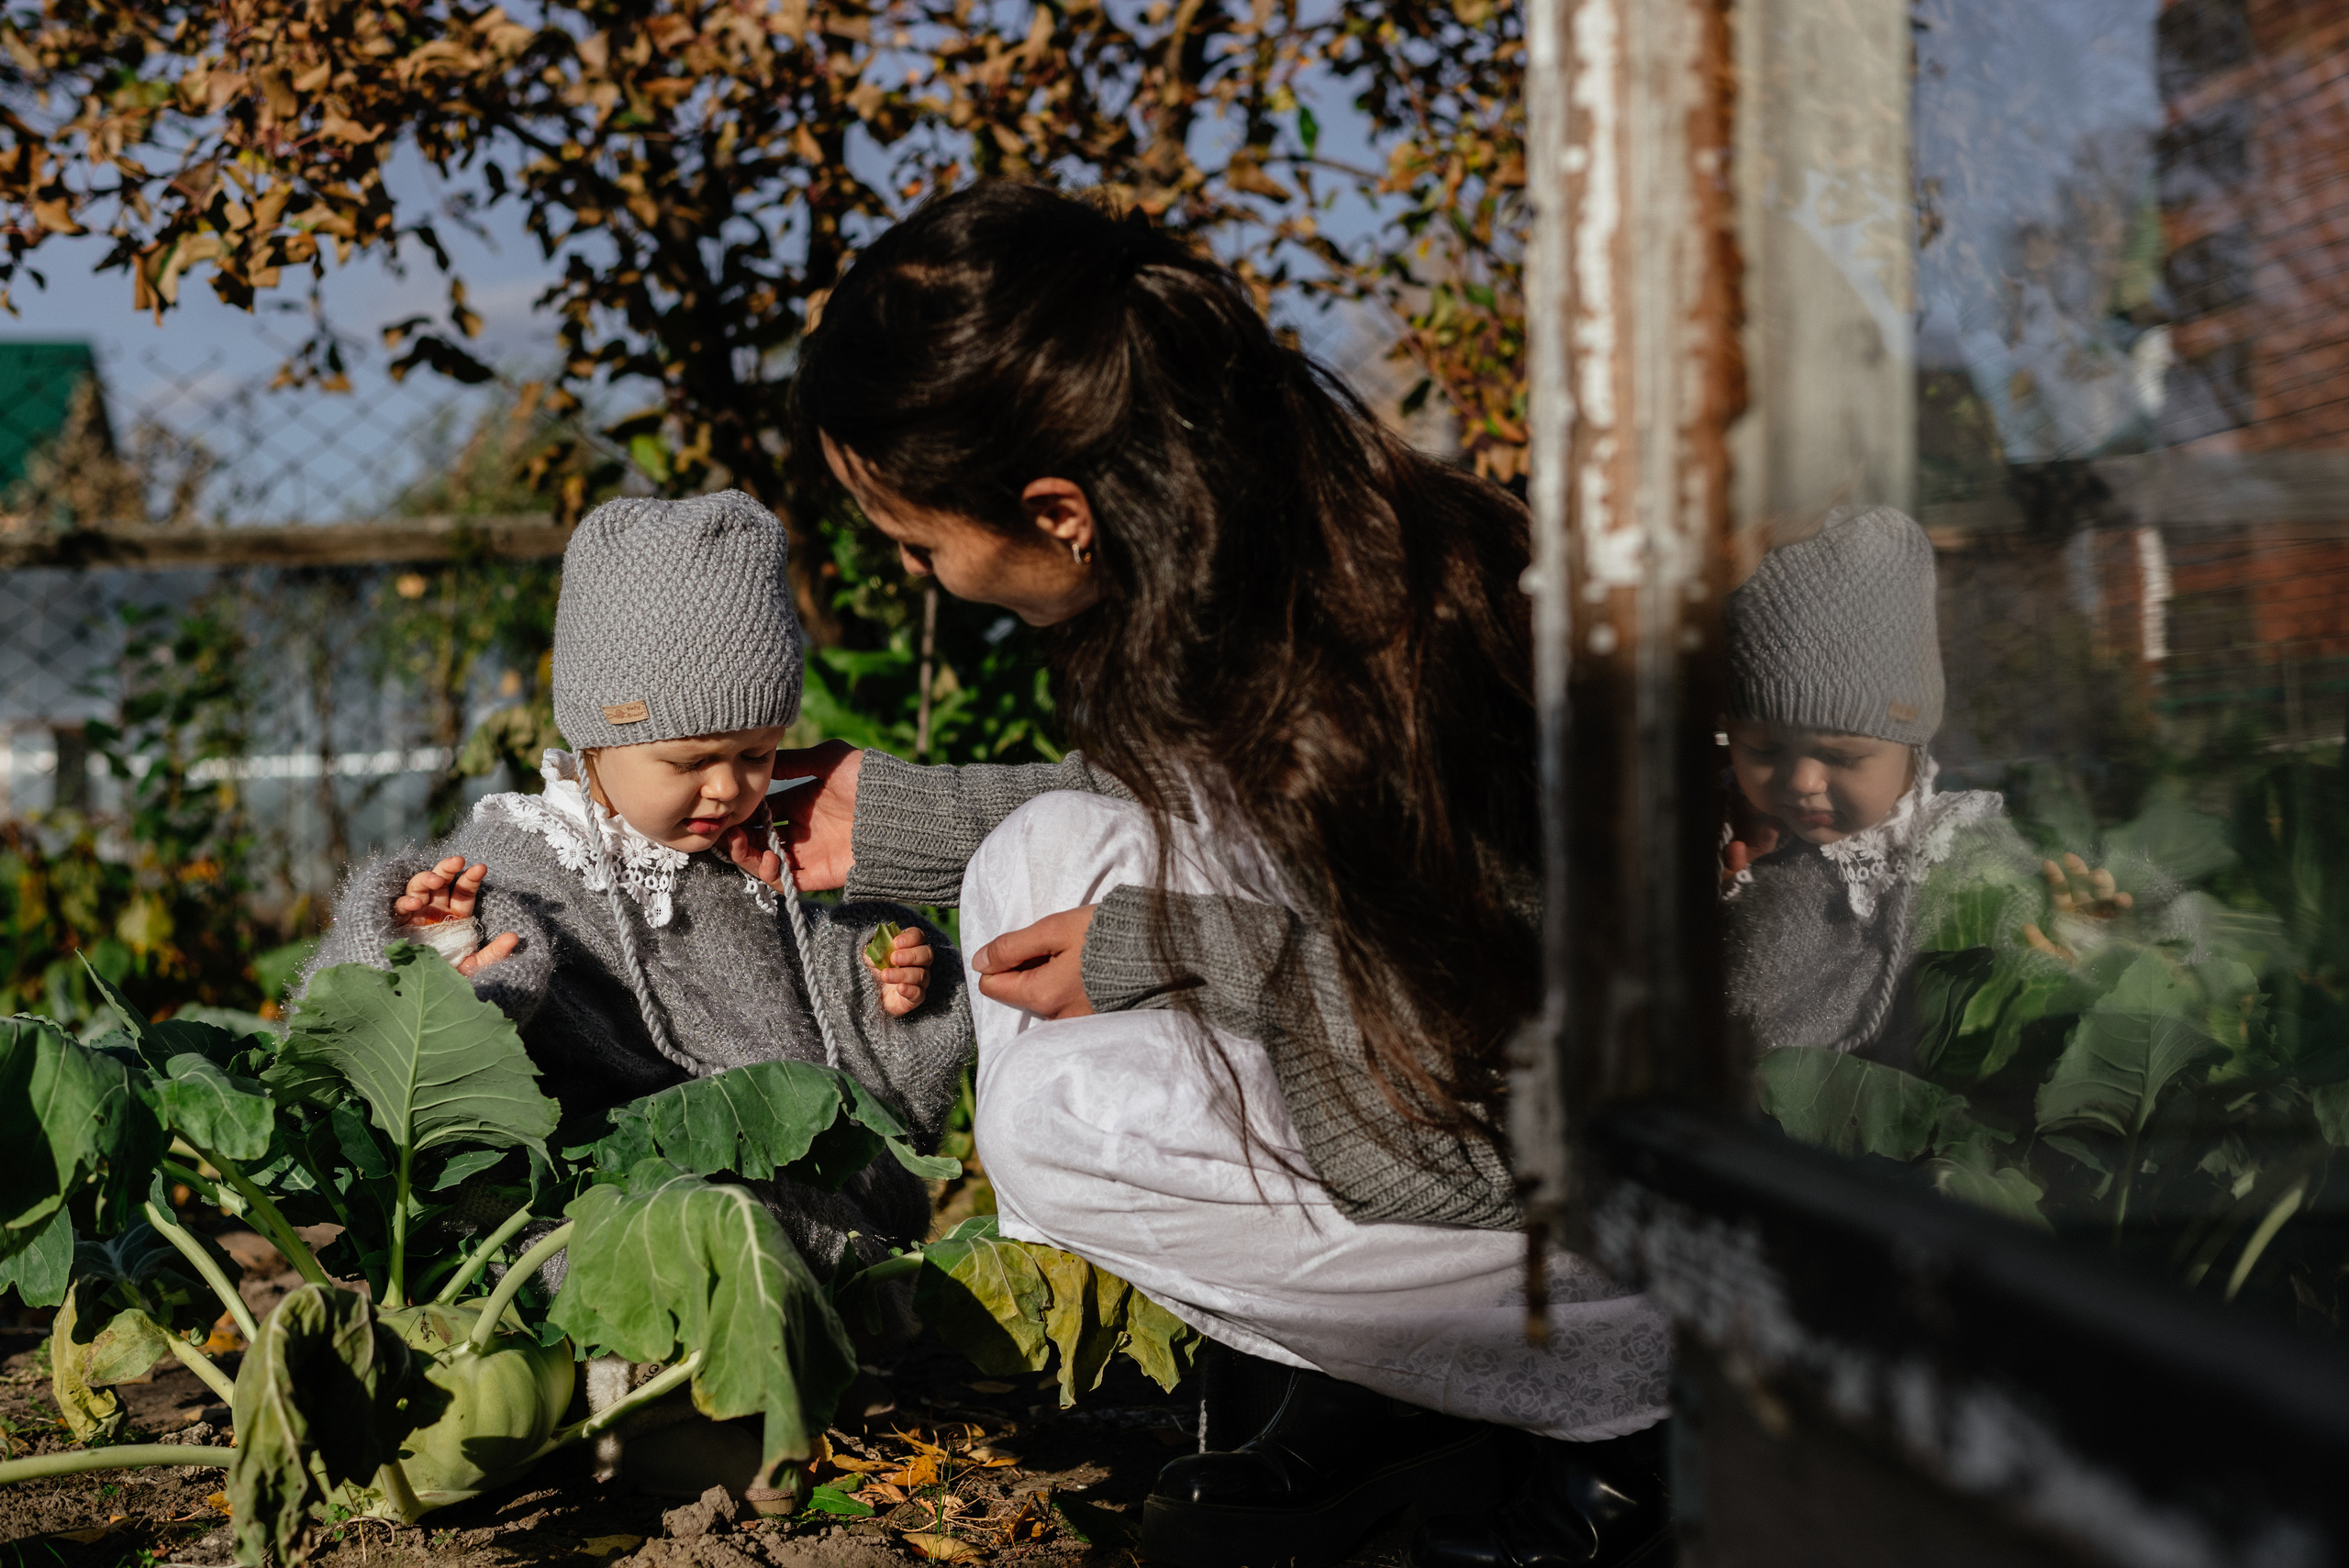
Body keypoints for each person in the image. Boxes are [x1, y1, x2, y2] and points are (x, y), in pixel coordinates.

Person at [752, 183, 1674, 1568]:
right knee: (1037, 853)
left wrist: (1157, 948)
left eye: (918, 538)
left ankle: (1574, 1409)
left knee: (1057, 1141)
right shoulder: (1270, 581)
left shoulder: (1370, 680)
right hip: (1426, 1107)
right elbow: (1175, 809)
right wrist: (909, 819)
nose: (916, 574)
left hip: (1582, 1205)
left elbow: (1466, 1062)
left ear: (1057, 511)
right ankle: (1372, 1391)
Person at [306, 492, 972, 1493]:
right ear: (592, 741)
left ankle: (773, 1372)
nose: (726, 788)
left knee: (779, 1231)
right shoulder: (523, 859)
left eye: (755, 753)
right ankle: (652, 1412)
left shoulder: (786, 852)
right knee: (648, 1238)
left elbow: (867, 1050)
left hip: (791, 1192)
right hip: (600, 1199)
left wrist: (898, 988)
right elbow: (388, 1019)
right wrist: (446, 951)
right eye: (688, 759)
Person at [1718, 503, 2131, 1064]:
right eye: (1763, 750)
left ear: (1911, 746)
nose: (1802, 780)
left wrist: (2074, 935)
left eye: (1843, 756)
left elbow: (2009, 967)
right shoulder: (1731, 831)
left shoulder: (1958, 850)